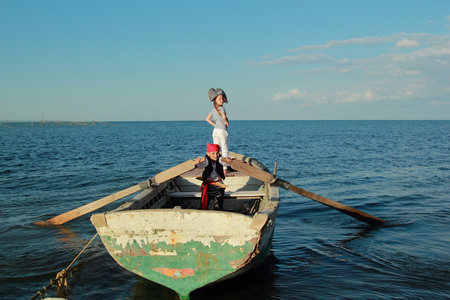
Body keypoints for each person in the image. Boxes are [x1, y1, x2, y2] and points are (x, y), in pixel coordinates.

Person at [195, 143, 231, 210]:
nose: (215, 156)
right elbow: (201, 164)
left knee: (218, 206)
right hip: (208, 186)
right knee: (203, 205)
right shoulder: (206, 160)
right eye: (213, 153)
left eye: (217, 153)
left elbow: (226, 162)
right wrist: (198, 160)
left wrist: (228, 159)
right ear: (208, 154)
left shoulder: (220, 159)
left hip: (218, 186)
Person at [206, 88, 230, 171]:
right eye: (219, 99)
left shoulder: (213, 110)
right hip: (222, 131)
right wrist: (226, 121)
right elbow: (223, 116)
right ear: (215, 100)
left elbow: (207, 119)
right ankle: (225, 168)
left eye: (222, 99)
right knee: (224, 148)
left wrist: (215, 125)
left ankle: (214, 167)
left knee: (215, 150)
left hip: (215, 131)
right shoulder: (221, 108)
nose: (222, 100)